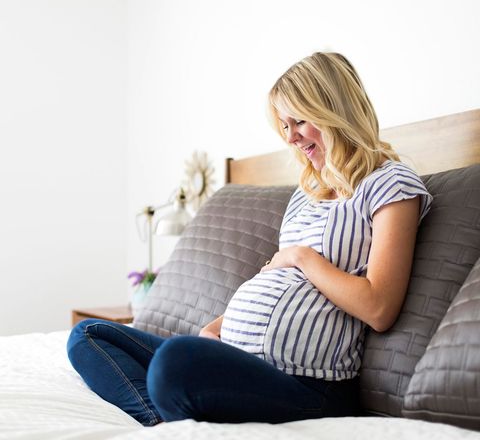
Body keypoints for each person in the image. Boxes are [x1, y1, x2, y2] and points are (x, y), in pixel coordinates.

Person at [67, 52, 432, 426]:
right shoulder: (305, 193)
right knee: (87, 335)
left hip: (307, 384)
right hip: (239, 358)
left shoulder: (390, 184)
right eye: (284, 126)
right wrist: (215, 329)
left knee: (173, 362)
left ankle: (171, 403)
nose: (290, 137)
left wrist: (304, 257)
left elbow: (379, 308)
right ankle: (160, 420)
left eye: (300, 121)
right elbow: (275, 277)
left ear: (335, 111)